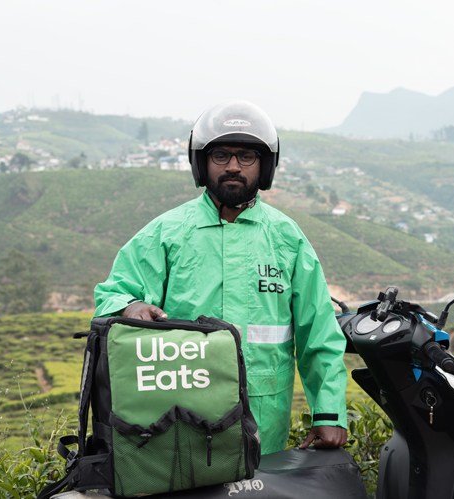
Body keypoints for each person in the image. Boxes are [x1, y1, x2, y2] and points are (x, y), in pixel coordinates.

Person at [93, 100, 348, 455]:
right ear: (202, 163)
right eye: (221, 155)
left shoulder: (287, 238)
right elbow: (112, 294)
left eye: (247, 156)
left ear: (265, 165)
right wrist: (130, 306)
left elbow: (318, 332)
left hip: (264, 422)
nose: (233, 166)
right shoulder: (166, 233)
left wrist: (329, 412)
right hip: (180, 419)